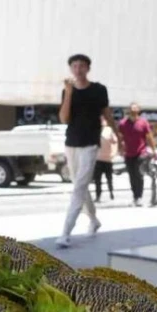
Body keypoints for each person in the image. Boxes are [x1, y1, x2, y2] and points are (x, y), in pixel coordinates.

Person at [57, 54, 120, 248]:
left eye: (81, 66)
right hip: (71, 143)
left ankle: (65, 232)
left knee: (78, 187)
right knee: (80, 186)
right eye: (74, 66)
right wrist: (68, 93)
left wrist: (119, 135)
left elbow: (107, 115)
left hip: (91, 144)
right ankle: (94, 220)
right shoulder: (67, 91)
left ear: (88, 68)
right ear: (71, 69)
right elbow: (64, 119)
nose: (78, 69)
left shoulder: (99, 90)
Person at [119, 102, 157, 207]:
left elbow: (149, 137)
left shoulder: (143, 123)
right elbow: (120, 137)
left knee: (139, 175)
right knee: (132, 176)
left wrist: (154, 150)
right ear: (129, 110)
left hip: (141, 153)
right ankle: (135, 197)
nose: (133, 110)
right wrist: (120, 149)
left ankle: (139, 197)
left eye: (135, 108)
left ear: (138, 110)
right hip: (128, 153)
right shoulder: (123, 123)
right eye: (131, 108)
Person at [94, 117, 116, 203]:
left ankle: (111, 192)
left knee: (109, 178)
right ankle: (98, 196)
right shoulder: (94, 130)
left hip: (108, 159)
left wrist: (114, 153)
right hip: (97, 159)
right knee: (97, 180)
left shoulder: (109, 130)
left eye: (103, 121)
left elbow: (115, 142)